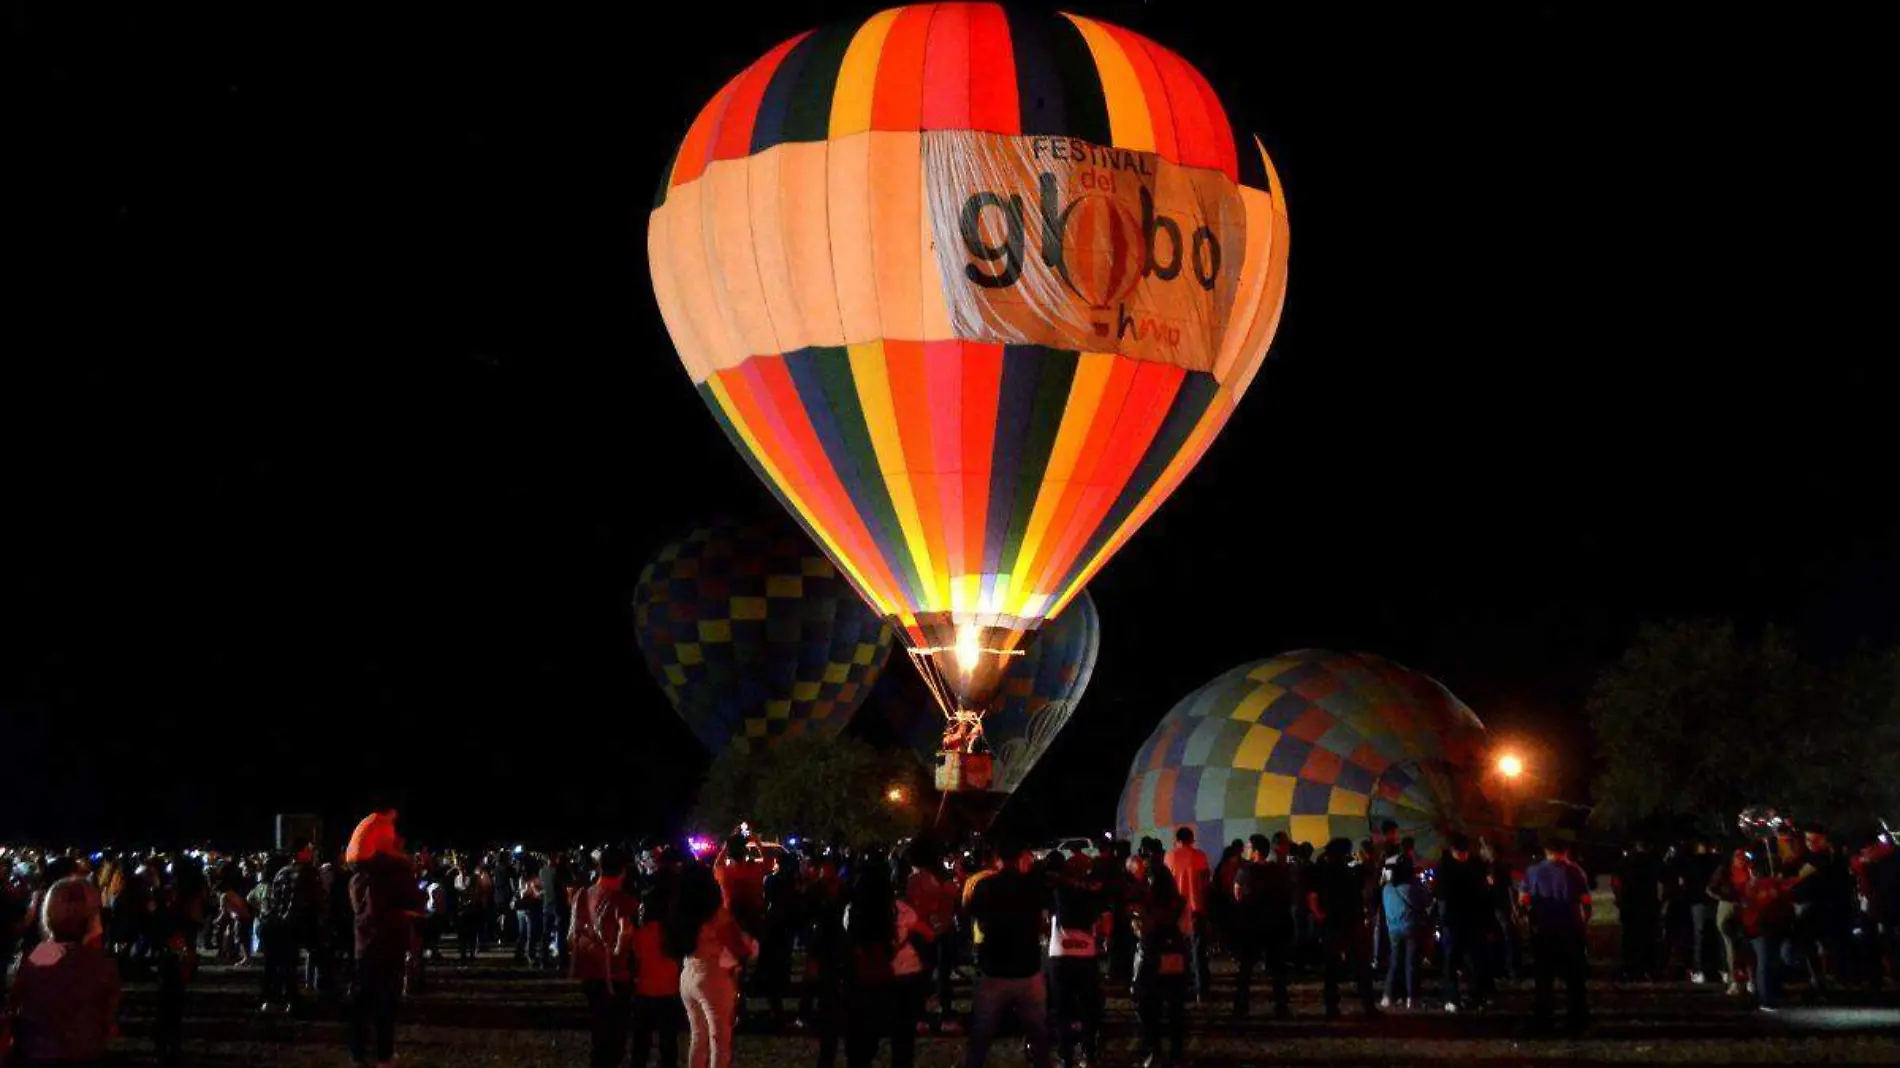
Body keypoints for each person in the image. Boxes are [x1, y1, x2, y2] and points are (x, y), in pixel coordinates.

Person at [4, 877, 120, 1068]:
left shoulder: (40, 954)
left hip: (35, 1053)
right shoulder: (101, 963)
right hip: (83, 1053)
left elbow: (17, 1001)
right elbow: (108, 1021)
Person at [962, 841, 1050, 1068]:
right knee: (1039, 1034)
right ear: (1019, 858)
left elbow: (977, 919)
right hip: (1028, 968)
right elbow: (1043, 922)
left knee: (981, 1033)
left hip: (995, 968)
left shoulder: (985, 886)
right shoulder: (1033, 886)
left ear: (997, 858)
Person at [349, 817, 426, 1068]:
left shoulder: (358, 876)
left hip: (363, 946)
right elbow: (415, 906)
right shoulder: (396, 875)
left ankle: (358, 1052)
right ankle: (384, 1055)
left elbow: (362, 911)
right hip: (390, 945)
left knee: (362, 1002)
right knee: (386, 1004)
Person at [667, 864, 753, 1068]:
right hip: (712, 976)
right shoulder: (716, 915)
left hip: (688, 973)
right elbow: (739, 948)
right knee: (720, 1041)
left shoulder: (680, 913)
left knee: (698, 1037)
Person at [842, 861, 925, 1068]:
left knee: (860, 1048)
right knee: (902, 1041)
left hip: (861, 982)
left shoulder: (854, 911)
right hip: (888, 980)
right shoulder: (891, 911)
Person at [572, 846, 638, 1068]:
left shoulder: (584, 894)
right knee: (614, 1037)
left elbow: (572, 935)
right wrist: (620, 952)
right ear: (623, 871)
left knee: (599, 1031)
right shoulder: (623, 900)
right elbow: (626, 933)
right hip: (615, 975)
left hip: (589, 971)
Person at [1522, 836, 1591, 1031]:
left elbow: (1524, 900)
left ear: (1546, 851)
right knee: (1575, 979)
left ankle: (1544, 1017)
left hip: (1544, 931)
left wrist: (1529, 919)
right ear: (1566, 851)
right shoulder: (1575, 871)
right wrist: (1583, 922)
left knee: (1544, 978)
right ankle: (1577, 1017)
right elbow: (1586, 901)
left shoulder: (1533, 872)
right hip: (1570, 930)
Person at [1307, 838, 1380, 1019]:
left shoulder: (1322, 872)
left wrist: (1318, 915)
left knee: (1333, 968)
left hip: (1335, 922)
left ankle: (1333, 1007)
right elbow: (1367, 876)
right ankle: (1367, 1005)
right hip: (1348, 922)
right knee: (1360, 966)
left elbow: (1312, 896)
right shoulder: (1349, 873)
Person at [1045, 863, 1106, 1068]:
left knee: (1062, 1008)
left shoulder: (1056, 892)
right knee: (1088, 1007)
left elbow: (1045, 917)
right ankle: (1088, 1055)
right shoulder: (1091, 895)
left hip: (1060, 953)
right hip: (1085, 953)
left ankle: (1066, 1056)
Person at [1232, 833, 1296, 1020]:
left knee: (1246, 969)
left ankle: (1241, 1007)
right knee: (1277, 970)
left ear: (1256, 851)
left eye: (1250, 846)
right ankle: (1281, 1006)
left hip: (1253, 925)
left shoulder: (1245, 871)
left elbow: (1237, 895)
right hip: (1273, 925)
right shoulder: (1277, 871)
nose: (1247, 850)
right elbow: (1287, 895)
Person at [1132, 864, 1190, 1068]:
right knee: (1175, 1007)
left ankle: (1154, 1051)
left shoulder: (1145, 902)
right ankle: (1177, 1051)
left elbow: (1140, 930)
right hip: (1174, 955)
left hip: (1151, 957)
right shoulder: (1180, 901)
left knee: (1150, 1007)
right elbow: (1186, 929)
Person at [260, 839, 321, 1013]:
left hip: (276, 923)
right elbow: (306, 902)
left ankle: (275, 999)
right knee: (290, 964)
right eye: (308, 850)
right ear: (300, 852)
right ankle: (292, 1001)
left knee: (279, 963)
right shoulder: (307, 873)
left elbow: (274, 899)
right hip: (293, 924)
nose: (311, 853)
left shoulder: (282, 872)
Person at [1435, 833, 1492, 1011]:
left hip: (1473, 920)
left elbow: (1484, 895)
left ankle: (1477, 995)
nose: (1463, 856)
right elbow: (1442, 897)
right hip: (1453, 920)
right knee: (1452, 961)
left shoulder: (1475, 866)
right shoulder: (1445, 868)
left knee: (1476, 960)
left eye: (1465, 853)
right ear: (1453, 851)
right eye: (1460, 853)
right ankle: (1452, 997)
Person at [631, 881, 685, 1068]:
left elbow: (635, 962)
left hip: (645, 993)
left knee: (641, 1044)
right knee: (668, 1043)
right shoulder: (672, 935)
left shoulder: (639, 935)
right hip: (669, 993)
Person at [1742, 851, 1798, 1012]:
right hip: (1765, 927)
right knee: (1765, 963)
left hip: (1756, 927)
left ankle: (1764, 995)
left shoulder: (1751, 885)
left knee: (1763, 963)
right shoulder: (1768, 886)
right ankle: (1765, 998)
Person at [1163, 827, 1212, 1002]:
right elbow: (1205, 883)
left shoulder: (1169, 857)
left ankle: (1180, 988)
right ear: (1191, 839)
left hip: (1176, 911)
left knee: (1178, 951)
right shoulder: (1199, 856)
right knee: (1198, 951)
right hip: (1196, 907)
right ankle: (1201, 990)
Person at [1381, 856, 1431, 1009]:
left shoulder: (1387, 889)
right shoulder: (1411, 887)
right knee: (1411, 963)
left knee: (1395, 962)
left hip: (1393, 929)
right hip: (1411, 927)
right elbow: (1426, 901)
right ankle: (1412, 997)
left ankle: (1388, 996)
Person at [1615, 840, 1662, 981]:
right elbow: (1664, 881)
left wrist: (1619, 899)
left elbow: (1616, 882)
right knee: (1649, 938)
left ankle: (1630, 968)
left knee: (1629, 938)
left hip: (1630, 904)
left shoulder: (1626, 861)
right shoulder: (1654, 862)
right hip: (1648, 904)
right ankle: (1648, 969)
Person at [543, 853, 574, 974]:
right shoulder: (562, 872)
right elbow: (569, 889)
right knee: (561, 934)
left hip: (547, 905)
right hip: (559, 906)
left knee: (546, 934)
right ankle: (562, 960)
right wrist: (570, 904)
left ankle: (544, 959)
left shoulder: (543, 872)